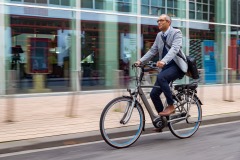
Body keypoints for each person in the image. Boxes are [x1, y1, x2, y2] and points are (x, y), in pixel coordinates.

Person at [135, 14, 188, 123]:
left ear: (168, 22)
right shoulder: (159, 35)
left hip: (176, 66)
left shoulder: (176, 33)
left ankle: (171, 105)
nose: (159, 22)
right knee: (153, 94)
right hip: (165, 68)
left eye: (161, 20)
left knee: (161, 77)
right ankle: (163, 121)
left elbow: (174, 49)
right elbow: (152, 50)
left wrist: (164, 61)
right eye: (158, 20)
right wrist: (140, 61)